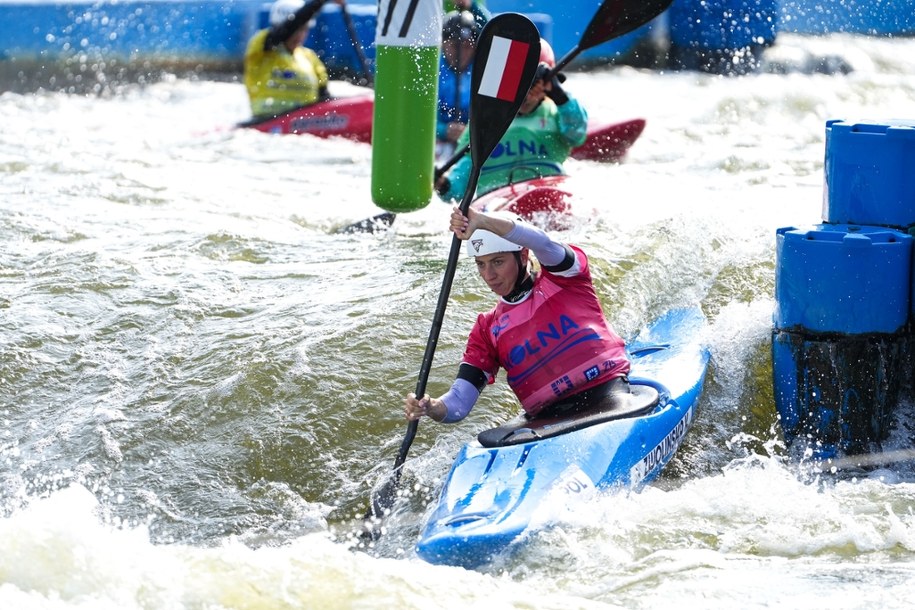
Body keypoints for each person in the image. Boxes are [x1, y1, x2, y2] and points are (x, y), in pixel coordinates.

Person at [403, 207, 631, 425]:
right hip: (546, 419)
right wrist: (430, 407)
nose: (489, 275)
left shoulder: (565, 277)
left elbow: (542, 242)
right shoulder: (487, 330)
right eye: (481, 264)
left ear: (523, 256)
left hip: (606, 393)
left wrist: (482, 221)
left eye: (498, 262)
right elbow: (459, 403)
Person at [436, 39, 589, 201]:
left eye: (532, 84)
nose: (525, 93)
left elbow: (577, 135)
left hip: (549, 196)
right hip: (497, 202)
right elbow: (456, 192)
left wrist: (561, 98)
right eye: (516, 84)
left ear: (548, 85)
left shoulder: (558, 115)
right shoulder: (481, 126)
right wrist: (442, 184)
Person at [243, 0, 346, 118]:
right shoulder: (262, 46)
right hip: (265, 120)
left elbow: (324, 100)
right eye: (295, 29)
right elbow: (288, 28)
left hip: (306, 122)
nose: (298, 35)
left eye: (303, 29)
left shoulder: (310, 57)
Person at [437, 4, 490, 155]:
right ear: (443, 44)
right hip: (437, 142)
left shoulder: (483, 69)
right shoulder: (432, 71)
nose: (461, 53)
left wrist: (471, 5)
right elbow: (418, 117)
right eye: (455, 46)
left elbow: (493, 32)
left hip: (471, 142)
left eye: (467, 46)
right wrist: (443, 130)